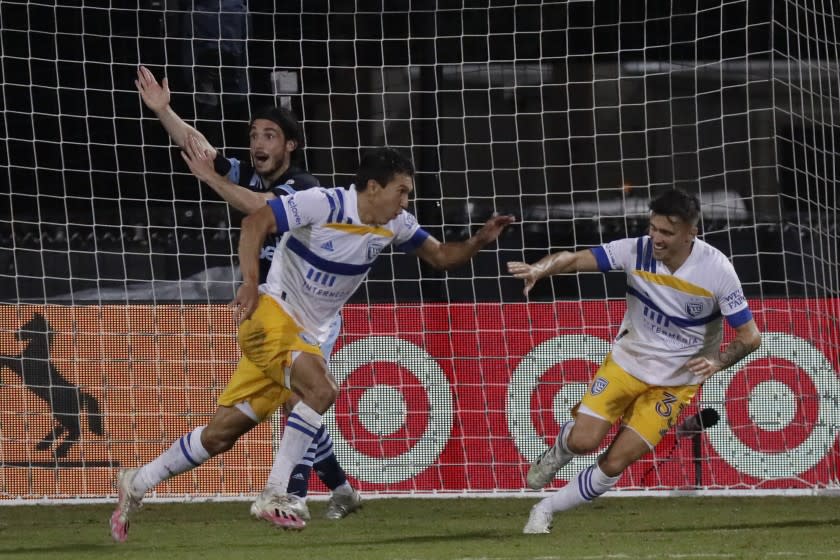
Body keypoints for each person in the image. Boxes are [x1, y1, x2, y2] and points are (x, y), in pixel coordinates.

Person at [111, 143, 514, 538]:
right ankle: (274, 493)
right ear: (373, 187)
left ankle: (139, 480)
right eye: (402, 191)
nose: (406, 201)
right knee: (321, 389)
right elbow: (255, 223)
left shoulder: (395, 224)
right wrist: (250, 283)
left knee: (220, 434)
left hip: (301, 333)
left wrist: (478, 241)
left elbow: (441, 256)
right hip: (270, 316)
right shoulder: (323, 203)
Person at [111, 68, 357, 543]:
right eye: (254, 135)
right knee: (294, 401)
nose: (258, 142)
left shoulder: (303, 187)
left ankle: (284, 492)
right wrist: (164, 111)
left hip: (301, 315)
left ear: (290, 146)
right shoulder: (258, 171)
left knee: (258, 416)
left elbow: (253, 206)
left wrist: (210, 179)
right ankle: (296, 493)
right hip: (272, 316)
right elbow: (205, 151)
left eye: (270, 135)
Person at [507, 189, 761, 534]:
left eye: (666, 233)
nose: (656, 238)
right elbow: (573, 258)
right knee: (583, 442)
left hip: (675, 383)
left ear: (691, 233)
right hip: (626, 364)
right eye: (653, 228)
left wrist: (718, 362)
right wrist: (541, 268)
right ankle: (557, 453)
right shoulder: (636, 249)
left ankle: (545, 509)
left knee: (615, 462)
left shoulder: (717, 271)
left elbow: (750, 336)